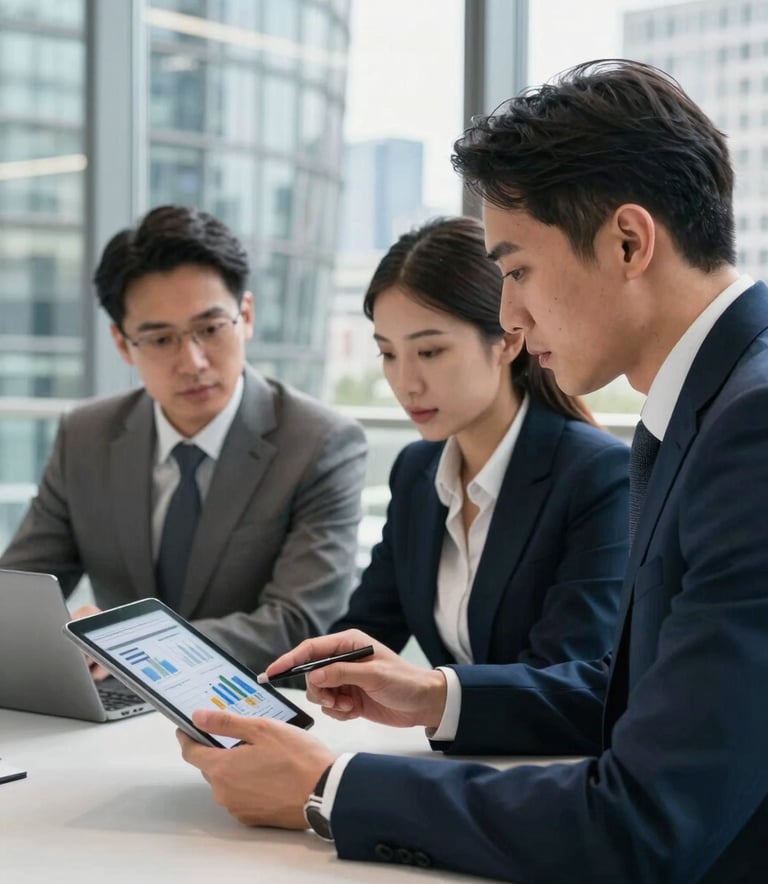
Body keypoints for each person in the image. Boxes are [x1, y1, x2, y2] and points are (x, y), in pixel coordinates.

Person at [179, 59, 768, 881]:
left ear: (629, 241)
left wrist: (327, 787)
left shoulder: (750, 429)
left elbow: (646, 823)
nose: (510, 315)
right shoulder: (708, 408)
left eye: (518, 269)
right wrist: (438, 696)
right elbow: (648, 696)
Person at [0, 205, 367, 673]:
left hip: (254, 711)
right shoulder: (86, 436)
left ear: (246, 315)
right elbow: (18, 593)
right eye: (160, 339)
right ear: (121, 342)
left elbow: (298, 623)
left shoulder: (320, 443)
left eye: (210, 329)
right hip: (115, 716)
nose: (192, 361)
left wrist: (129, 645)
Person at [333, 216, 628, 672]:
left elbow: (565, 674)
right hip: (450, 743)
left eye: (429, 352)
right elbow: (366, 634)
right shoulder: (417, 470)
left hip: (558, 745)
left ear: (509, 342)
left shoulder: (600, 477)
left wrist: (431, 700)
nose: (405, 383)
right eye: (388, 354)